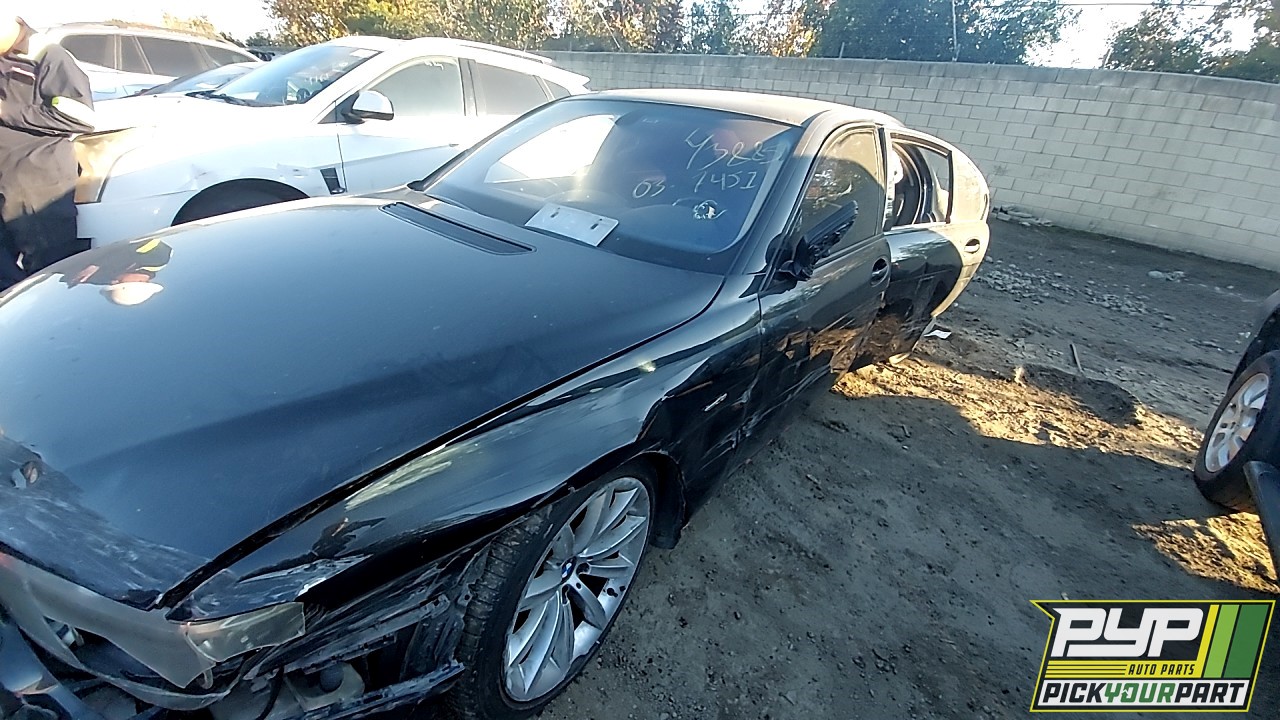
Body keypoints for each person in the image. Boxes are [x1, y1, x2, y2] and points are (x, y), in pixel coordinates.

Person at [0, 14, 94, 290]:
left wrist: (6, 111)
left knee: (50, 277)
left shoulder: (50, 57)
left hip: (37, 187)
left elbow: (81, 117)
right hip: (5, 182)